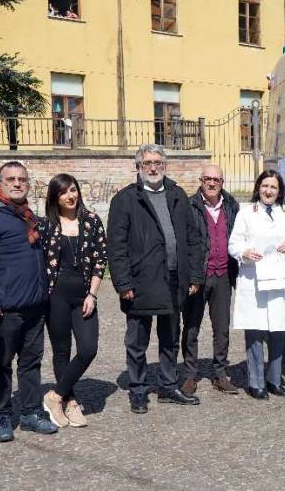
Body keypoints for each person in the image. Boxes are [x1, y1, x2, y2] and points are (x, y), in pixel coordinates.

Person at [108, 144, 205, 414]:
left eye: (158, 163)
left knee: (170, 338)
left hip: (174, 280)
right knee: (137, 341)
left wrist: (195, 275)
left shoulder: (177, 195)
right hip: (140, 283)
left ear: (165, 166)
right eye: (147, 163)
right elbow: (116, 247)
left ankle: (167, 385)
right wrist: (123, 283)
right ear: (138, 167)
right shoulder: (126, 200)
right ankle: (138, 390)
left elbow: (193, 239)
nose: (153, 168)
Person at [0, 161, 57, 440]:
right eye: (11, 179)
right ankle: (2, 415)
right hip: (4, 308)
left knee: (32, 363)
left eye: (22, 179)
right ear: (0, 184)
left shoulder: (26, 215)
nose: (17, 183)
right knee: (2, 363)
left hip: (34, 306)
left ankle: (31, 412)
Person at [228, 170, 285, 400]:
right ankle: (256, 382)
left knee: (278, 332)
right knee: (255, 331)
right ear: (258, 188)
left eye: (273, 187)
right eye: (265, 186)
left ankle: (274, 379)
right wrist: (244, 252)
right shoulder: (246, 213)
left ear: (280, 191)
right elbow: (234, 243)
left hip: (281, 278)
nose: (268, 191)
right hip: (254, 280)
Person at [39, 174, 107, 428]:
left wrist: (92, 293)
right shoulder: (47, 226)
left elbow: (101, 258)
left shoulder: (91, 221)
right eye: (63, 192)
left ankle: (54, 395)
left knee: (88, 348)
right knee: (61, 351)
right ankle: (69, 401)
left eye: (73, 190)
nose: (70, 196)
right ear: (55, 198)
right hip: (56, 297)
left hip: (84, 296)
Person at [181, 165, 241, 396]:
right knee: (191, 326)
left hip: (224, 275)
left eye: (216, 179)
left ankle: (220, 374)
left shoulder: (231, 205)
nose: (212, 183)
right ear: (201, 181)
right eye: (208, 179)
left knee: (222, 328)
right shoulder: (189, 205)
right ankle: (189, 375)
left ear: (222, 181)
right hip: (198, 276)